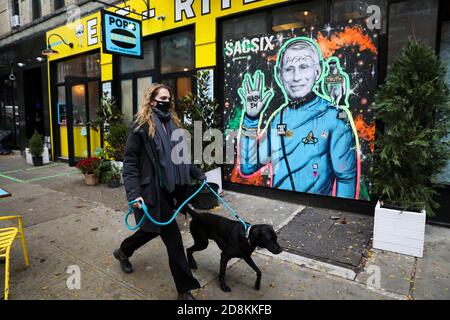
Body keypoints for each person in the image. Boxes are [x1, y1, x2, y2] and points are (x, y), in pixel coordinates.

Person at [113, 83, 205, 300]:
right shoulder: (141, 126)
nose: (167, 102)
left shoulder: (173, 124)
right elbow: (130, 162)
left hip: (171, 190)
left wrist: (197, 173)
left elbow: (181, 157)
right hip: (150, 192)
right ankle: (184, 290)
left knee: (150, 230)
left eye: (169, 98)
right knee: (173, 239)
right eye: (162, 98)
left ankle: (123, 251)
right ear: (151, 100)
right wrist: (133, 193)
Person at [238, 37, 357, 198]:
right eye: (289, 69)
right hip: (279, 211)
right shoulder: (278, 118)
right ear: (280, 75)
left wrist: (340, 217)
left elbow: (346, 178)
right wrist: (251, 119)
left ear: (318, 72)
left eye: (304, 67)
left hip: (315, 214)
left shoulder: (334, 117)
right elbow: (248, 166)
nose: (296, 77)